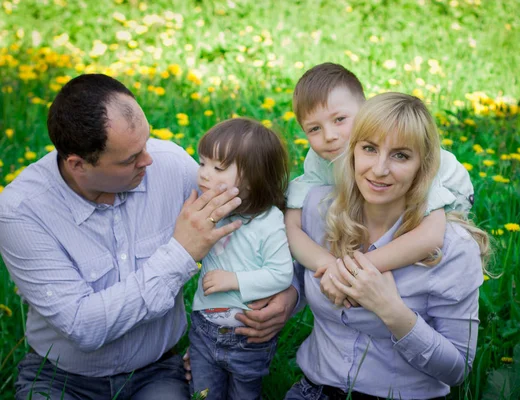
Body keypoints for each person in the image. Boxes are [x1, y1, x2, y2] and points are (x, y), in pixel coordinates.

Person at [0, 74, 294, 400]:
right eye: (130, 159)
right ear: (78, 165)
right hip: (61, 378)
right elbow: (83, 326)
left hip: (156, 372)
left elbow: (260, 216)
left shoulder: (168, 166)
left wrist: (289, 293)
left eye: (146, 142)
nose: (148, 159)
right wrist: (181, 253)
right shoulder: (21, 212)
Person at [285, 92, 490, 400]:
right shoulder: (318, 210)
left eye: (400, 156)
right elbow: (285, 275)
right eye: (369, 149)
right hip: (313, 391)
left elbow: (457, 370)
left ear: (424, 165)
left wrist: (390, 309)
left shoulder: (453, 247)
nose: (379, 169)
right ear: (351, 151)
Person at [284, 63, 475, 307]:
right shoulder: (321, 160)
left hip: (450, 195)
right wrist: (328, 265)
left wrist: (353, 271)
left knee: (427, 256)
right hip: (382, 203)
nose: (329, 135)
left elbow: (431, 236)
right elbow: (291, 226)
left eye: (340, 119)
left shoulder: (405, 155)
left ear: (366, 111)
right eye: (314, 129)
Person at [188, 118, 293, 399]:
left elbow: (281, 274)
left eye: (218, 168)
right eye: (202, 163)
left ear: (252, 178)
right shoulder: (207, 208)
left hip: (247, 336)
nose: (204, 174)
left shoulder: (269, 222)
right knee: (203, 394)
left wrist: (232, 280)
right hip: (203, 329)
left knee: (244, 394)